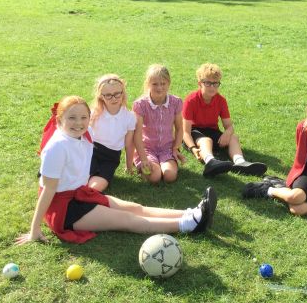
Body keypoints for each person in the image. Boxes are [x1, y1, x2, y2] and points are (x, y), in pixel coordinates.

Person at [16, 96, 217, 245]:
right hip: (65, 209)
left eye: (83, 117)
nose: (78, 123)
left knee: (135, 208)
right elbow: (48, 190)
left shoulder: (86, 133)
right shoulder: (56, 147)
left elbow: (112, 127)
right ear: (60, 120)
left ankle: (192, 213)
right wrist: (34, 230)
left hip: (80, 193)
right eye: (72, 118)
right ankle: (189, 224)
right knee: (128, 220)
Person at [182, 63, 267, 177]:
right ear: (200, 83)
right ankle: (210, 162)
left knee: (233, 137)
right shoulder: (191, 100)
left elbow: (229, 126)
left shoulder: (221, 100)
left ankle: (240, 162)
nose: (212, 87)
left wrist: (227, 133)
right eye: (208, 83)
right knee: (206, 140)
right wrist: (193, 148)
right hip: (194, 132)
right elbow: (185, 132)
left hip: (212, 131)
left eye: (215, 83)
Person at [130, 65, 186, 184]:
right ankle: (143, 165)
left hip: (167, 148)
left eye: (163, 83)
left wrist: (175, 148)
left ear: (169, 83)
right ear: (148, 84)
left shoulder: (176, 102)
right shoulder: (140, 105)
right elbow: (137, 134)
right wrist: (143, 158)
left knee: (169, 176)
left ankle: (164, 164)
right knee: (155, 177)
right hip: (146, 149)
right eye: (155, 84)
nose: (159, 87)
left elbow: (179, 128)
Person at [88, 74, 136, 192]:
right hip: (92, 153)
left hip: (111, 158)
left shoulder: (129, 117)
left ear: (123, 93)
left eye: (117, 94)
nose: (113, 98)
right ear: (101, 96)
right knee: (81, 179)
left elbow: (129, 145)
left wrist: (129, 167)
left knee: (96, 188)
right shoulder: (93, 114)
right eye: (108, 95)